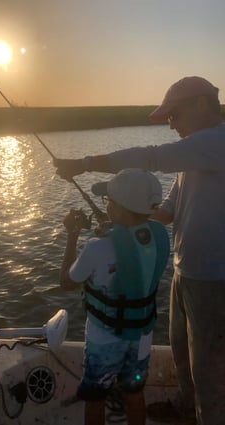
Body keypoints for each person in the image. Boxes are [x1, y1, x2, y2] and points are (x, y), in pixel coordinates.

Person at [54, 76, 225, 425]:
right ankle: (184, 406)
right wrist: (124, 227)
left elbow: (150, 157)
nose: (170, 123)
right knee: (181, 349)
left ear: (202, 104)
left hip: (213, 278)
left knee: (209, 363)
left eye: (174, 114)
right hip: (186, 271)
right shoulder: (197, 152)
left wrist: (83, 163)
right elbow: (167, 209)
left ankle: (208, 416)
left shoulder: (216, 142)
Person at [60, 169, 170, 425]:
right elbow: (133, 240)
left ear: (119, 210)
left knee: (95, 398)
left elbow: (66, 281)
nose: (105, 204)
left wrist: (72, 234)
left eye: (108, 201)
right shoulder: (159, 235)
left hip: (104, 341)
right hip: (142, 334)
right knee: (134, 393)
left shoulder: (96, 247)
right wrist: (116, 228)